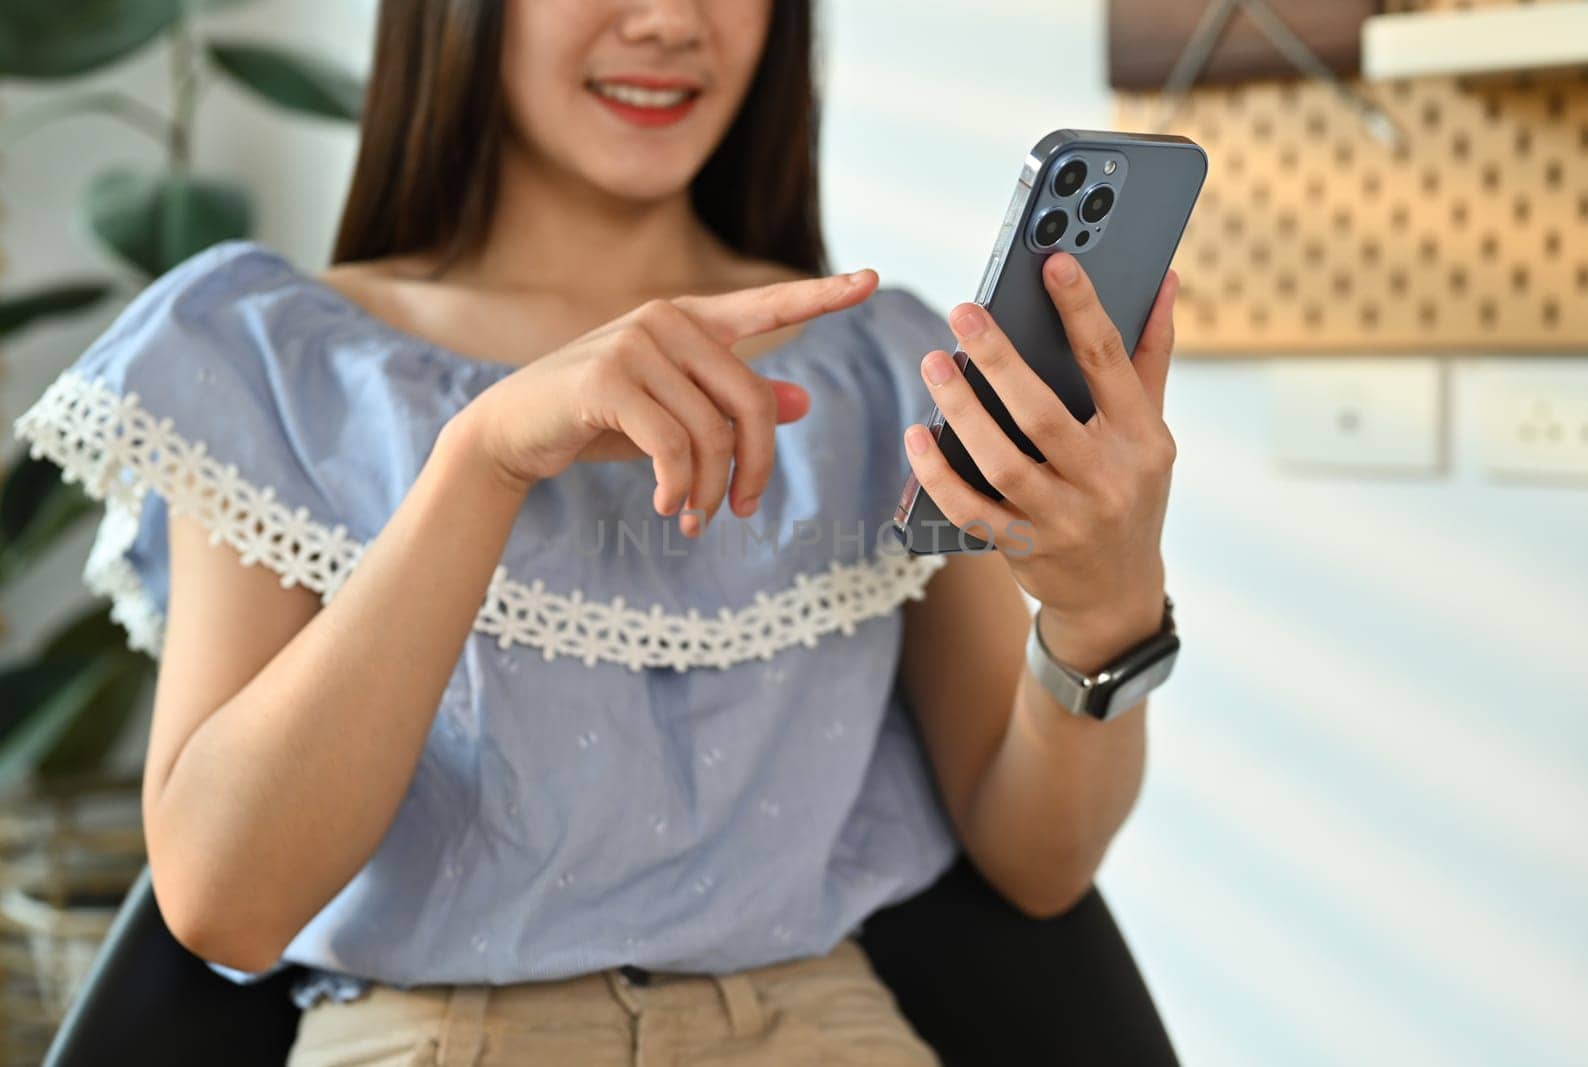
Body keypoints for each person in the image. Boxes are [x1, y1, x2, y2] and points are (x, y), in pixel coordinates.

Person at [13, 1, 1183, 1063]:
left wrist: (1104, 610)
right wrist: (479, 463)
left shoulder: (886, 368)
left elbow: (1038, 865)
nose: (672, 21)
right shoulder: (268, 356)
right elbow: (226, 899)